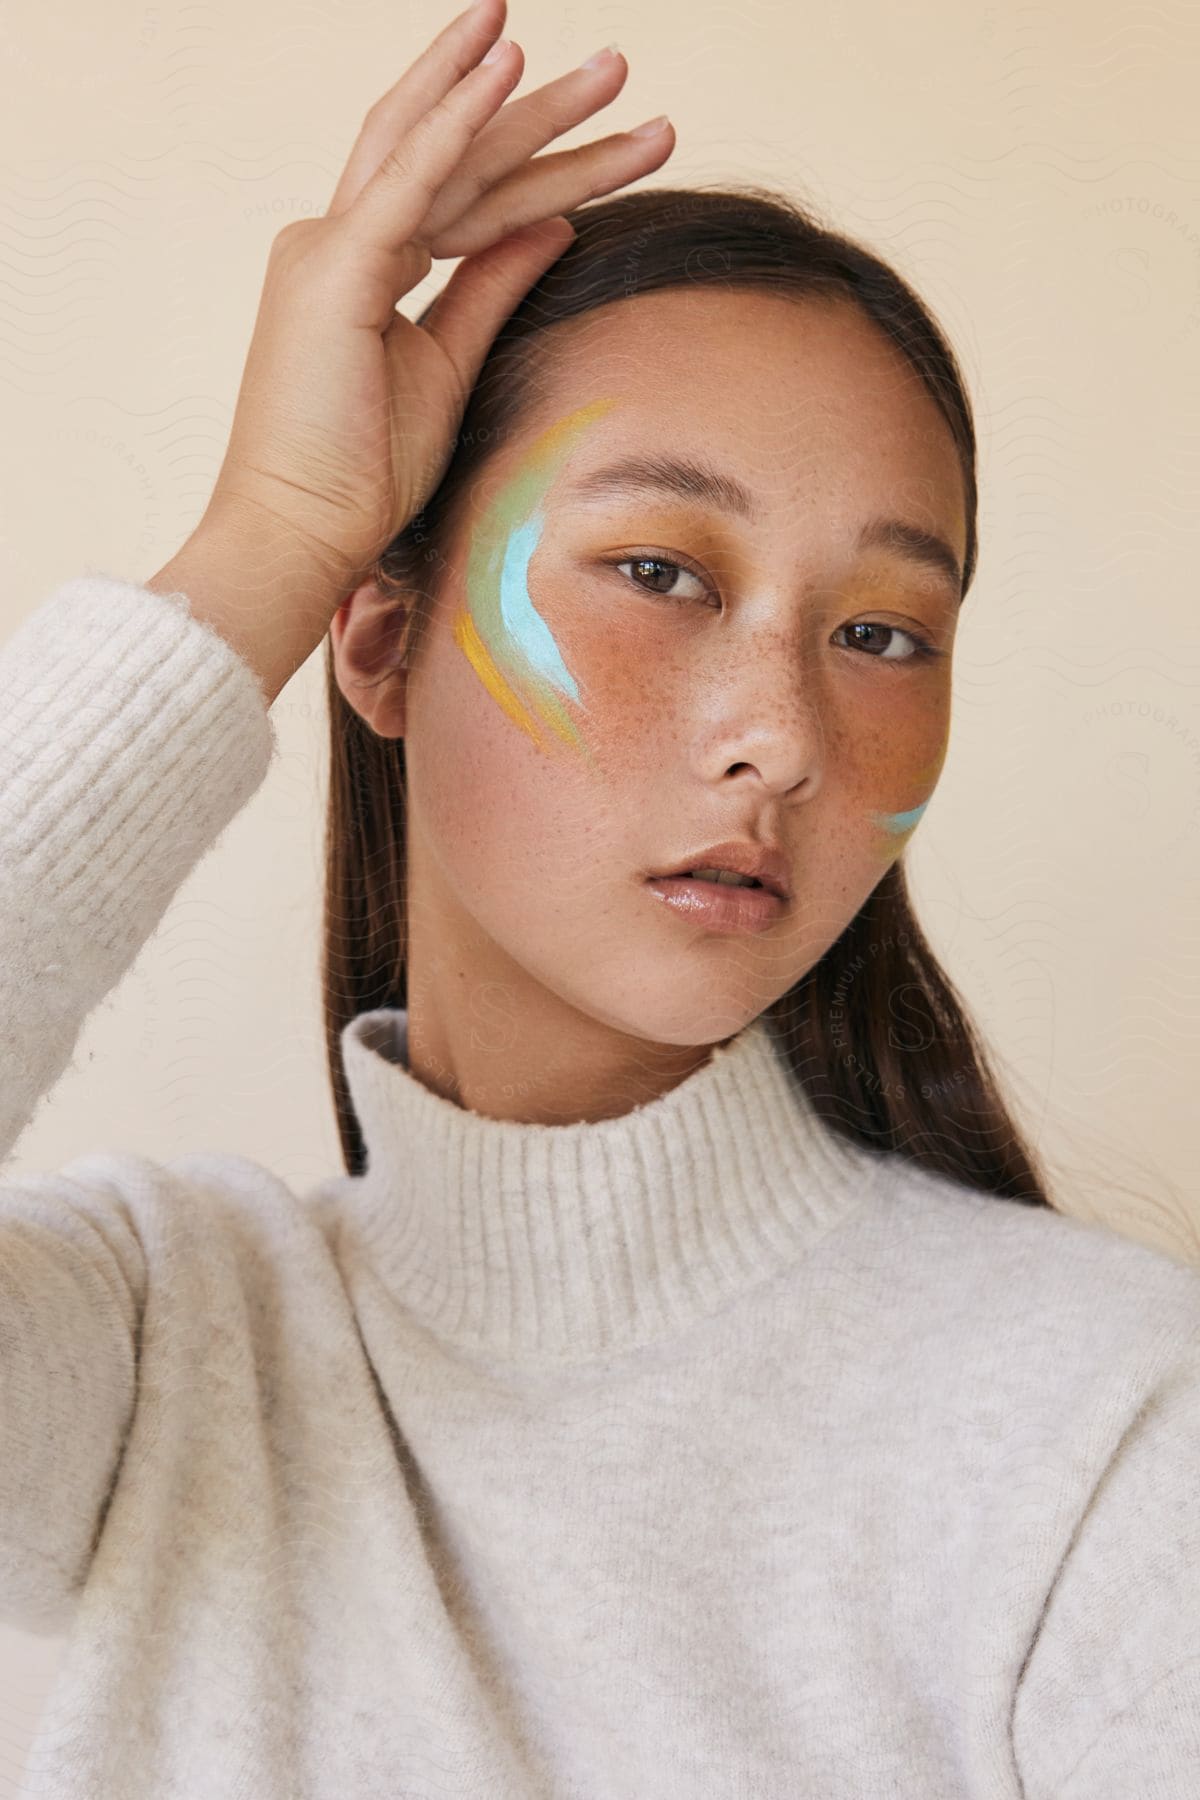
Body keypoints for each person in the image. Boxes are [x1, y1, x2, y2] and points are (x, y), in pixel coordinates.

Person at [1, 0, 1198, 1793]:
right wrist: (272, 523)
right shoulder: (150, 1339)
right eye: (658, 569)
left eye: (881, 633)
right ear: (386, 635)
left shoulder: (1115, 1424)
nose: (782, 738)